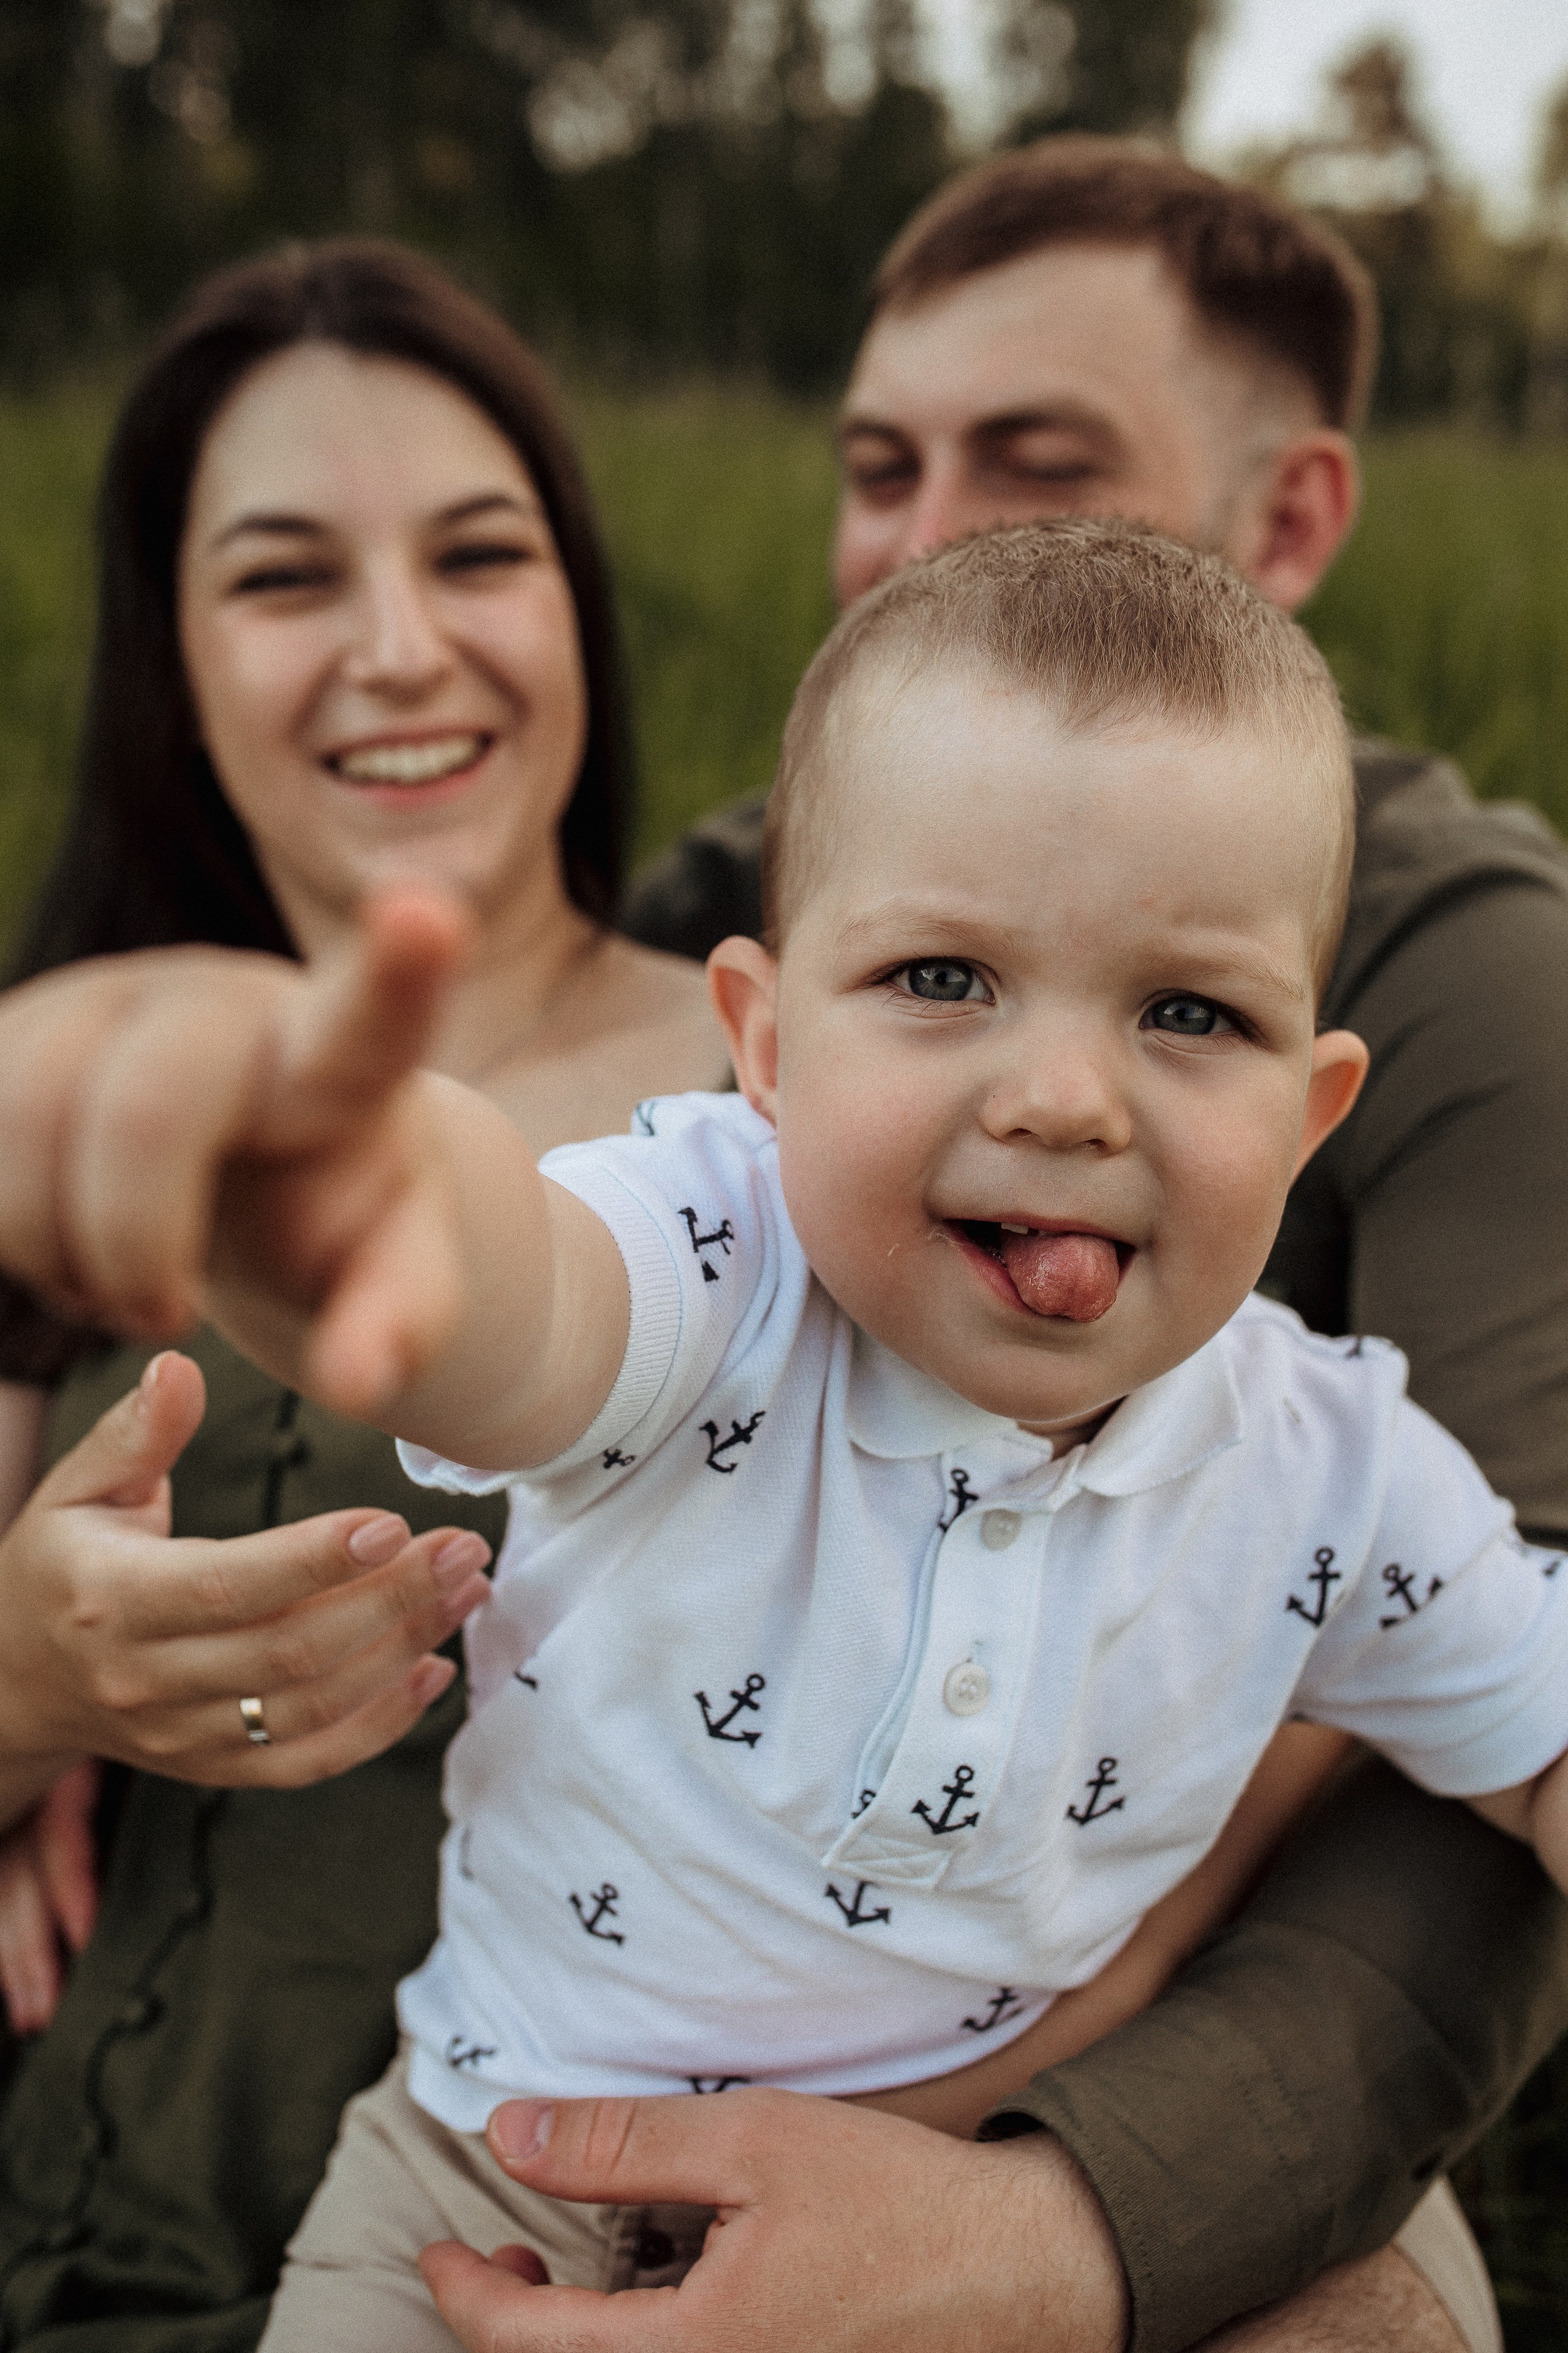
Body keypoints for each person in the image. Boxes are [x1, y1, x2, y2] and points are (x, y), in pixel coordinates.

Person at [4, 522, 1567, 2353]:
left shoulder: (1338, 1471)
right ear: (761, 1040)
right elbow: (514, 1286)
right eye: (942, 978)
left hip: (959, 2194)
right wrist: (317, 1169)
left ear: (1311, 1115)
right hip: (493, 2184)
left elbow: (1539, 1738)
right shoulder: (716, 1261)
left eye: (1188, 1011)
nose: (1066, 1096)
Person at [612, 135, 1568, 2353]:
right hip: (641, 1977)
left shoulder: (1480, 975)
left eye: (1034, 462)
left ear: (1292, 519)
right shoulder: (736, 890)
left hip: (1185, 2069)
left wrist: (1070, 2218)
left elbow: (1508, 1692)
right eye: (881, 459)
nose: (922, 536)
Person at [0, 238, 725, 2347]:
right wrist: (34, 1682)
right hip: (87, 2232)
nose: (401, 651)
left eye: (478, 554)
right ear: (175, 654)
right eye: (287, 575)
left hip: (567, 2284)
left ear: (576, 599)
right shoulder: (69, 1104)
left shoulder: (807, 1093)